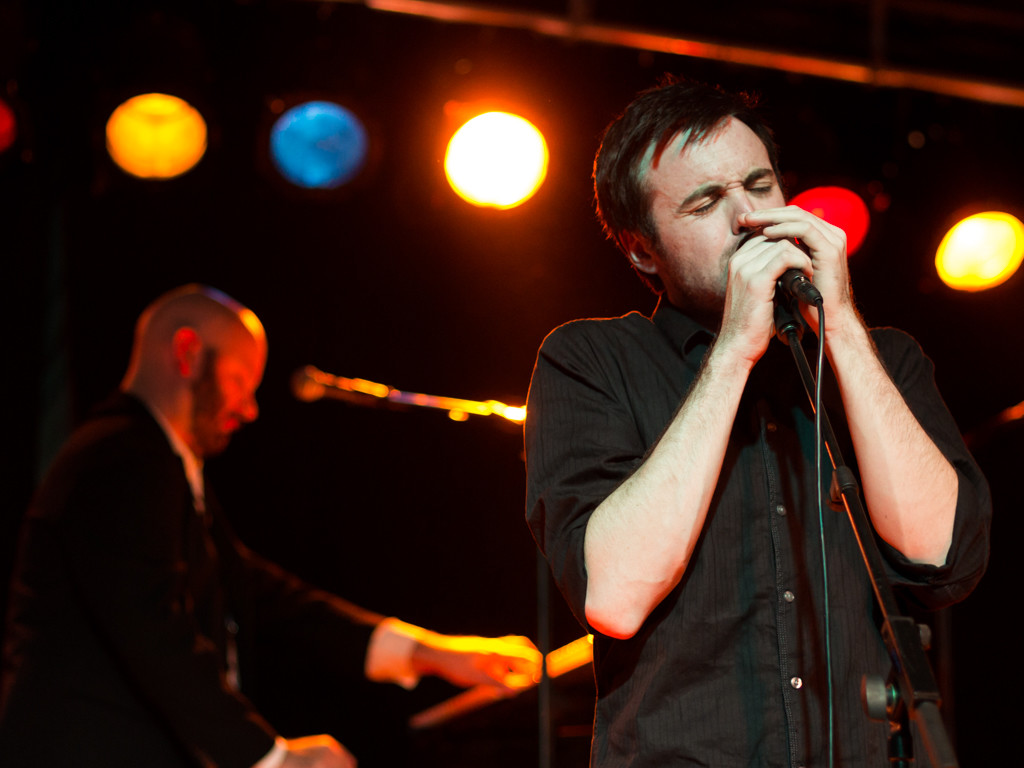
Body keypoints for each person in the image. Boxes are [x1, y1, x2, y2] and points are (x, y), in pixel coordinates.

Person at [524, 76, 991, 767]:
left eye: (759, 184)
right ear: (641, 250)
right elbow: (615, 597)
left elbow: (942, 557)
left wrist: (842, 327)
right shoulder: (592, 360)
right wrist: (734, 350)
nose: (748, 217)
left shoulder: (885, 357)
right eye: (706, 202)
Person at [0, 284, 541, 768]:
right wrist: (270, 758)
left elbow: (265, 597)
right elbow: (151, 629)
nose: (250, 409)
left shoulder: (161, 467)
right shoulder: (119, 457)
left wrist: (429, 652)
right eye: (240, 380)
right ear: (188, 353)